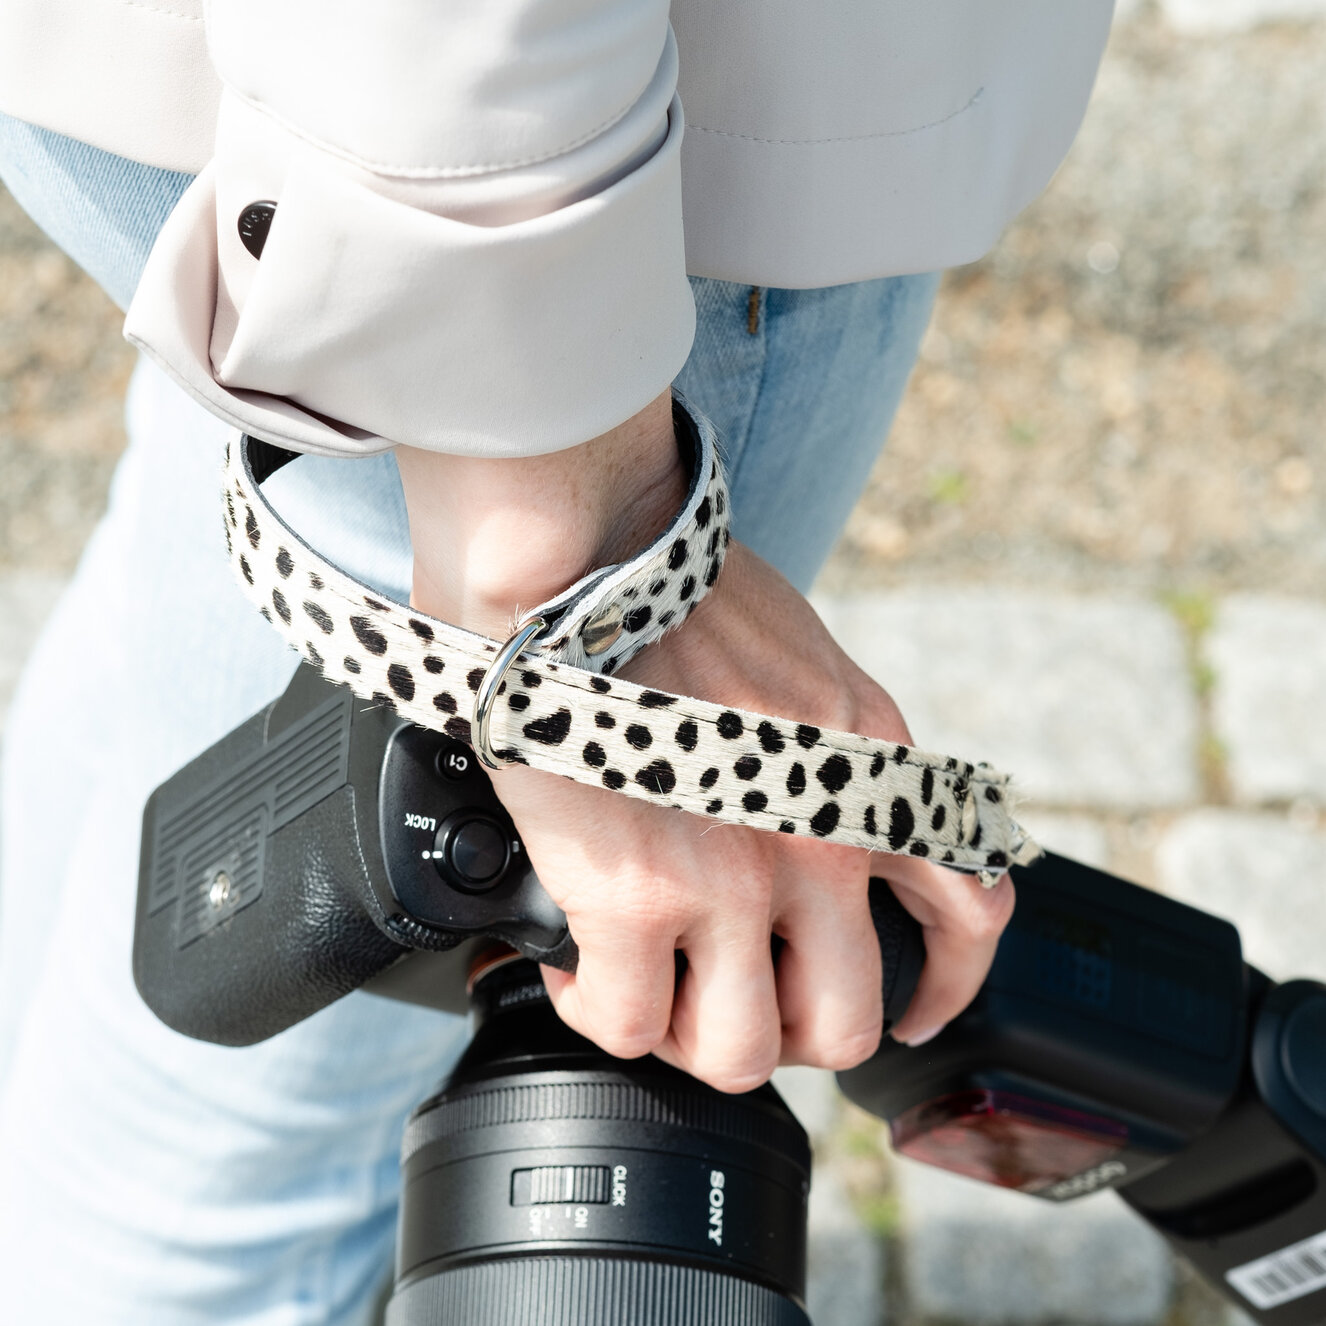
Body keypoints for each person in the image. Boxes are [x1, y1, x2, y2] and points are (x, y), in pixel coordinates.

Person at [0, 2, 1115, 1319]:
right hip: (577, 252)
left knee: (203, 686)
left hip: (266, 122)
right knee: (231, 1173)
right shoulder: (573, 436)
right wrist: (581, 549)